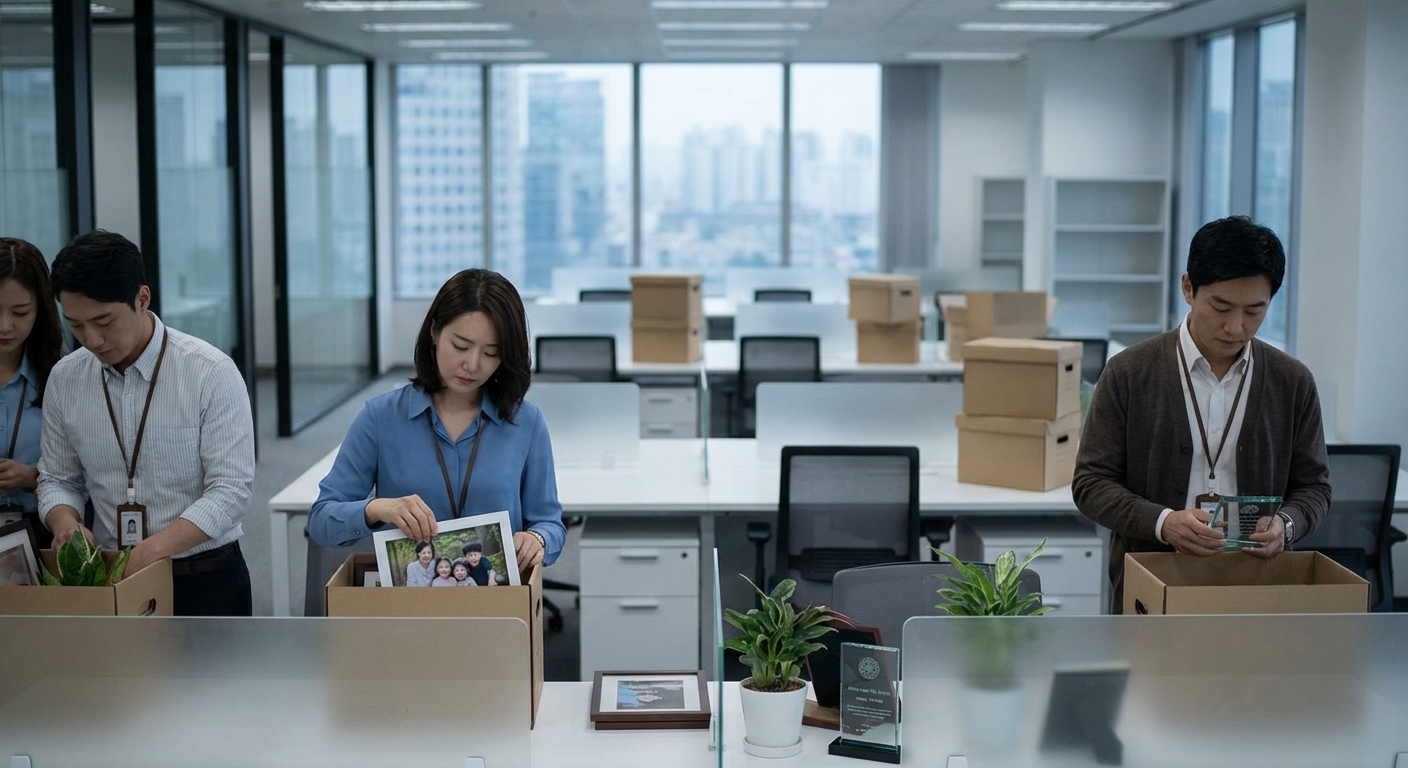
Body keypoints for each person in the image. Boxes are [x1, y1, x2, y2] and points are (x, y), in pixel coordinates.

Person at [1072, 215, 1331, 612]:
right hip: (1152, 582)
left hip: (1257, 587)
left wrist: (1287, 524)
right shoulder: (1128, 372)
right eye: (1221, 307)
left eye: (1254, 311)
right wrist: (1163, 522)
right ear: (1188, 288)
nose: (1235, 327)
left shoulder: (1291, 381)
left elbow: (1314, 487)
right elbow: (1090, 483)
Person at [37, 230, 256, 616]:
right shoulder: (66, 378)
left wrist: (150, 550)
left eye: (104, 321)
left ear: (142, 299)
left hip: (203, 576)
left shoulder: (209, 372)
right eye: (76, 325)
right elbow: (57, 478)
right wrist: (64, 523)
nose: (91, 339)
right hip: (111, 578)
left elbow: (230, 491)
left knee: (211, 679)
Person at [308, 268, 566, 574]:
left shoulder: (526, 421)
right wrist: (378, 508)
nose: (472, 365)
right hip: (411, 602)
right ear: (434, 332)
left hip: (495, 603)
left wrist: (538, 538)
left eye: (491, 353)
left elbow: (550, 523)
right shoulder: (382, 417)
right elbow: (321, 520)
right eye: (460, 346)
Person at [0, 239, 65, 547]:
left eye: (20, 312)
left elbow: (94, 476)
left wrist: (32, 477)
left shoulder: (62, 375)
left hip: (41, 534)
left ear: (40, 308)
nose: (5, 326)